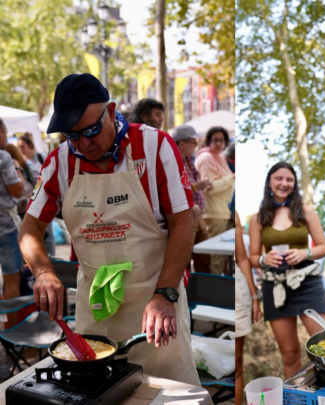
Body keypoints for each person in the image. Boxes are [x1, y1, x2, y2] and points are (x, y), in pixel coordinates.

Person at [19, 74, 200, 385]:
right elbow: (29, 226)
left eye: (91, 130)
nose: (83, 143)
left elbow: (184, 221)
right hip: (96, 306)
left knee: (168, 390)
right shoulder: (59, 162)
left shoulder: (155, 146)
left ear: (111, 110)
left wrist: (166, 293)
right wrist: (44, 273)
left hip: (155, 301)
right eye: (71, 135)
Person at [248, 162, 325, 378]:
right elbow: (253, 258)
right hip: (275, 288)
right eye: (279, 178)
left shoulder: (305, 211)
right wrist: (265, 258)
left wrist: (306, 253)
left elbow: (323, 247)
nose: (284, 183)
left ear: (294, 183)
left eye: (289, 179)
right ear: (269, 182)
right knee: (289, 354)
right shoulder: (258, 218)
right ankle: (294, 397)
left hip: (307, 283)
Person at [172, 125, 213, 274]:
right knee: (185, 259)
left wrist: (202, 186)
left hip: (197, 215)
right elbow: (174, 187)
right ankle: (189, 294)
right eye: (193, 142)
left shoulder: (188, 160)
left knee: (204, 257)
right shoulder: (172, 160)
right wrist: (196, 187)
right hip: (186, 214)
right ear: (182, 143)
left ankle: (202, 293)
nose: (196, 146)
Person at [195, 126, 235, 275]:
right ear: (208, 141)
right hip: (213, 213)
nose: (219, 143)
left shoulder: (220, 157)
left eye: (221, 140)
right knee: (214, 258)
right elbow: (210, 186)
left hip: (224, 212)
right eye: (215, 140)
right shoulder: (206, 158)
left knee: (220, 258)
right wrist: (231, 177)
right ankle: (212, 294)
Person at [0, 118, 26, 328]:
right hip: (5, 227)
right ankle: (10, 334)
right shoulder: (3, 157)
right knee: (11, 281)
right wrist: (19, 174)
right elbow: (17, 190)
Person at [235, 213, 262, 400]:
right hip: (221, 286)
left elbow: (242, 259)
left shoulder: (234, 215)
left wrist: (254, 297)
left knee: (237, 363)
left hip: (238, 291)